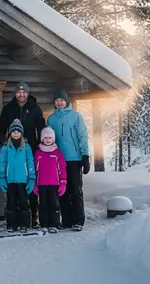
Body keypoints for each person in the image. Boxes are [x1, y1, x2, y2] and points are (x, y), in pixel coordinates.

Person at [0, 82, 45, 228]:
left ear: (28, 94)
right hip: (12, 149)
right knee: (14, 191)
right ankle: (14, 220)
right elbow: (0, 129)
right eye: (18, 92)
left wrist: (42, 146)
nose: (21, 94)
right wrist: (5, 143)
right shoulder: (8, 109)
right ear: (15, 94)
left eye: (24, 92)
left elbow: (41, 128)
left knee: (30, 188)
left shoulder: (35, 108)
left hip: (31, 150)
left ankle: (32, 218)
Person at [47, 89, 90, 231]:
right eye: (57, 100)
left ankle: (78, 220)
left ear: (66, 102)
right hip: (58, 159)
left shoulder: (75, 116)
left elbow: (83, 135)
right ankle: (66, 220)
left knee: (75, 190)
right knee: (62, 191)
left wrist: (85, 155)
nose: (59, 103)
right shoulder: (51, 119)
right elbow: (49, 139)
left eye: (62, 100)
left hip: (74, 158)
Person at [0, 119, 35, 232]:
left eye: (18, 131)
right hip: (10, 180)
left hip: (23, 180)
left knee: (24, 203)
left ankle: (24, 224)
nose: (16, 133)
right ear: (10, 133)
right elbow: (2, 163)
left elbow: (30, 162)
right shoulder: (5, 147)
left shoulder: (26, 147)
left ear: (21, 133)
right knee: (11, 203)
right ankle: (12, 224)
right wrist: (2, 178)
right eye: (13, 131)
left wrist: (32, 178)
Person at [33, 127, 67, 233]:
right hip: (41, 184)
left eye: (50, 138)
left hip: (54, 184)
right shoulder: (38, 153)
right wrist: (34, 183)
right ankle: (44, 223)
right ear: (42, 139)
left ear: (53, 139)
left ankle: (54, 224)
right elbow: (34, 169)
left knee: (54, 204)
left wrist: (63, 182)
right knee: (43, 205)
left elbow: (62, 168)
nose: (48, 140)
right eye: (46, 137)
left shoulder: (57, 153)